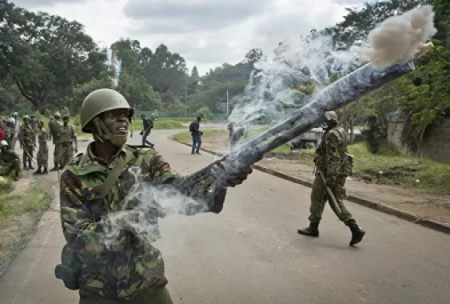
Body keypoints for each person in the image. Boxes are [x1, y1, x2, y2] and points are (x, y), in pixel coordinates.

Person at [54, 88, 252, 304]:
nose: (123, 119)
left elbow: (182, 193)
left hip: (146, 279)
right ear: (93, 123)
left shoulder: (146, 159)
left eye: (126, 114)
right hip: (97, 287)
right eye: (113, 114)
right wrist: (130, 220)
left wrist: (220, 180)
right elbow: (77, 238)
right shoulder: (73, 174)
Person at [298, 111, 365, 246]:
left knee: (326, 199)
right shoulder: (340, 130)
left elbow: (333, 158)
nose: (323, 123)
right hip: (337, 171)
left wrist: (330, 178)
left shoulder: (331, 135)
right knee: (323, 198)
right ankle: (314, 226)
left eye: (325, 121)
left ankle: (354, 227)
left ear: (331, 121)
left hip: (329, 173)